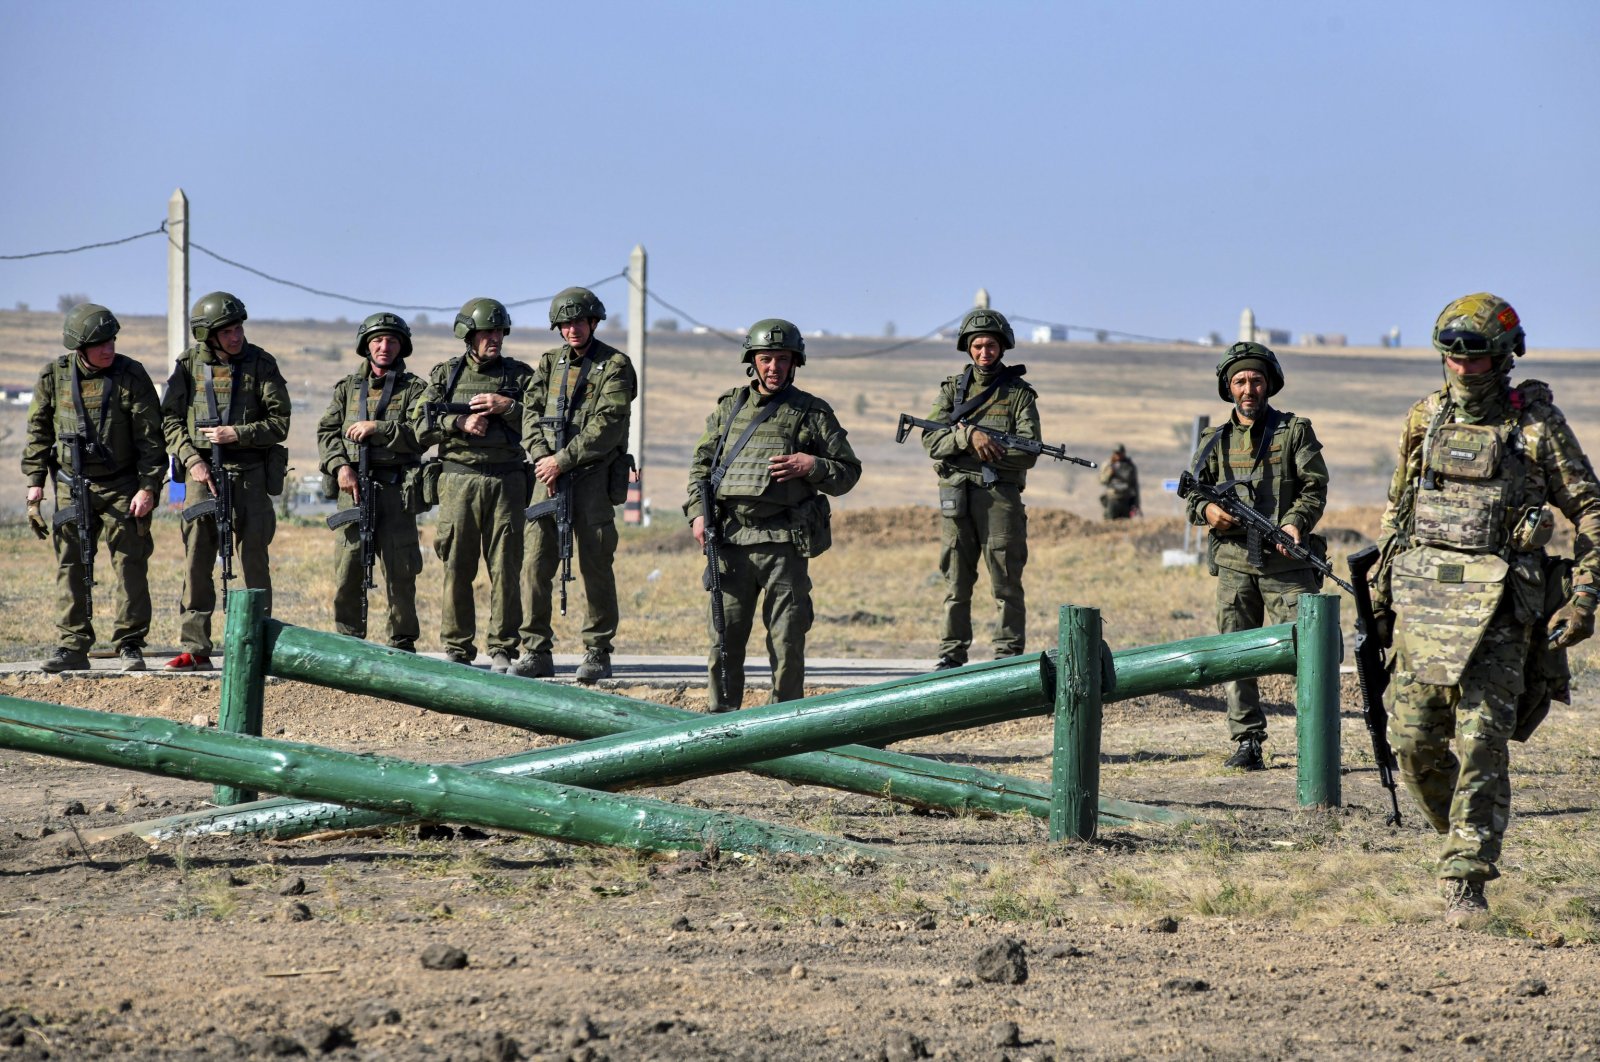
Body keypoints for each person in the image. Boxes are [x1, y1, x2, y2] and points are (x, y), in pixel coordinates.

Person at [1376, 293, 1599, 919]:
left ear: (1504, 356)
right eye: (1452, 355)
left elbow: (1590, 509)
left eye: (1476, 356)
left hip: (1504, 613)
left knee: (1480, 743)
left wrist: (1584, 597)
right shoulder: (1425, 419)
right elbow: (1400, 509)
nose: (1462, 367)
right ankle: (1462, 836)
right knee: (1414, 745)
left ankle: (1465, 880)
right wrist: (1385, 593)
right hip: (1427, 608)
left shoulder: (1537, 428)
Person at [686, 318, 860, 710]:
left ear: (794, 362)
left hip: (783, 543)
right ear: (752, 361)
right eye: (766, 359)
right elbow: (701, 467)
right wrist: (698, 514)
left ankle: (785, 724)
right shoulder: (729, 407)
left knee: (786, 639)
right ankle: (721, 723)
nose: (774, 367)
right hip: (730, 541)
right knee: (724, 639)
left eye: (782, 359)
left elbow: (848, 473)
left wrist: (810, 465)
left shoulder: (812, 412)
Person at [1185, 341, 1329, 770]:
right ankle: (1247, 741)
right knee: (1236, 657)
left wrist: (1294, 524)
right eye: (1240, 381)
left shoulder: (1294, 431)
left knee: (1307, 654)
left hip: (1287, 566)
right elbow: (1193, 492)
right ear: (1229, 388)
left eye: (1256, 380)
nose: (1248, 389)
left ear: (1270, 384)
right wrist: (1209, 511)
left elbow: (1314, 486)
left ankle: (1315, 741)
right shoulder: (1214, 441)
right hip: (1233, 565)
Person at [21, 304, 165, 672]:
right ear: (78, 347)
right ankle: (72, 645)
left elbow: (151, 439)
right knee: (71, 564)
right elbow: (38, 432)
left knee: (130, 565)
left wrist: (148, 488)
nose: (109, 348)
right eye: (100, 342)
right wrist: (35, 482)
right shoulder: (54, 376)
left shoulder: (131, 375)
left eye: (112, 340)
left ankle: (129, 643)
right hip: (71, 484)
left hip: (123, 484)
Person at [161, 291, 291, 671]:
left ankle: (258, 643)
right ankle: (195, 647)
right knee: (197, 558)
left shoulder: (261, 363)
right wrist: (192, 461)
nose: (236, 337)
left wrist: (239, 434)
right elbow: (169, 421)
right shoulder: (187, 366)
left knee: (254, 560)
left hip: (250, 472)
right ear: (208, 335)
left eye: (238, 329)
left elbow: (279, 422)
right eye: (227, 331)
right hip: (203, 474)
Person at [517, 286, 637, 684]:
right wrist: (541, 457)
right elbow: (530, 413)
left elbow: (607, 425)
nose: (572, 329)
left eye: (578, 322)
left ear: (593, 322)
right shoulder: (550, 363)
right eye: (565, 323)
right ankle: (535, 649)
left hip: (591, 478)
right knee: (535, 563)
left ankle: (598, 649)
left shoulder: (616, 366)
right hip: (547, 478)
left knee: (596, 565)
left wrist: (561, 460)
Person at [416, 297, 534, 671]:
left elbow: (543, 423)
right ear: (468, 334)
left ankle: (503, 647)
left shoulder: (520, 377)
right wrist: (458, 423)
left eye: (499, 331)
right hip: (459, 481)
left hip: (507, 481)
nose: (494, 338)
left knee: (507, 567)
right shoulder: (445, 375)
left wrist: (508, 408)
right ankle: (457, 648)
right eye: (486, 331)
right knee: (456, 566)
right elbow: (419, 425)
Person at [919, 308, 1039, 670]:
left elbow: (1028, 452)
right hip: (956, 496)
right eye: (977, 346)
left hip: (999, 498)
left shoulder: (1019, 396)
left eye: (991, 346)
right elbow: (931, 441)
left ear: (1003, 348)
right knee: (956, 582)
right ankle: (951, 654)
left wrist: (990, 451)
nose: (984, 353)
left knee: (1005, 580)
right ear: (967, 348)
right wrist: (968, 436)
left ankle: (1007, 655)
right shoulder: (952, 391)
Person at [317, 312, 430, 651]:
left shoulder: (415, 390)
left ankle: (402, 641)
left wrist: (379, 429)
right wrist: (340, 467)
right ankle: (349, 641)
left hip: (396, 489)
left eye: (392, 341)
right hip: (353, 491)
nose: (384, 347)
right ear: (366, 345)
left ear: (402, 346)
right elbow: (327, 432)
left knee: (401, 570)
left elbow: (422, 435)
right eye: (378, 340)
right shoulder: (347, 390)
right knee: (348, 567)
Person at [1099, 444, 1140, 519]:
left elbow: (1135, 485)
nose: (1118, 455)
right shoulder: (1108, 465)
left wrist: (1136, 504)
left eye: (1120, 453)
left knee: (1126, 526)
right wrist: (1109, 473)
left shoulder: (1129, 466)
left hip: (1126, 500)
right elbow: (1102, 480)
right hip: (1112, 498)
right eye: (1116, 453)